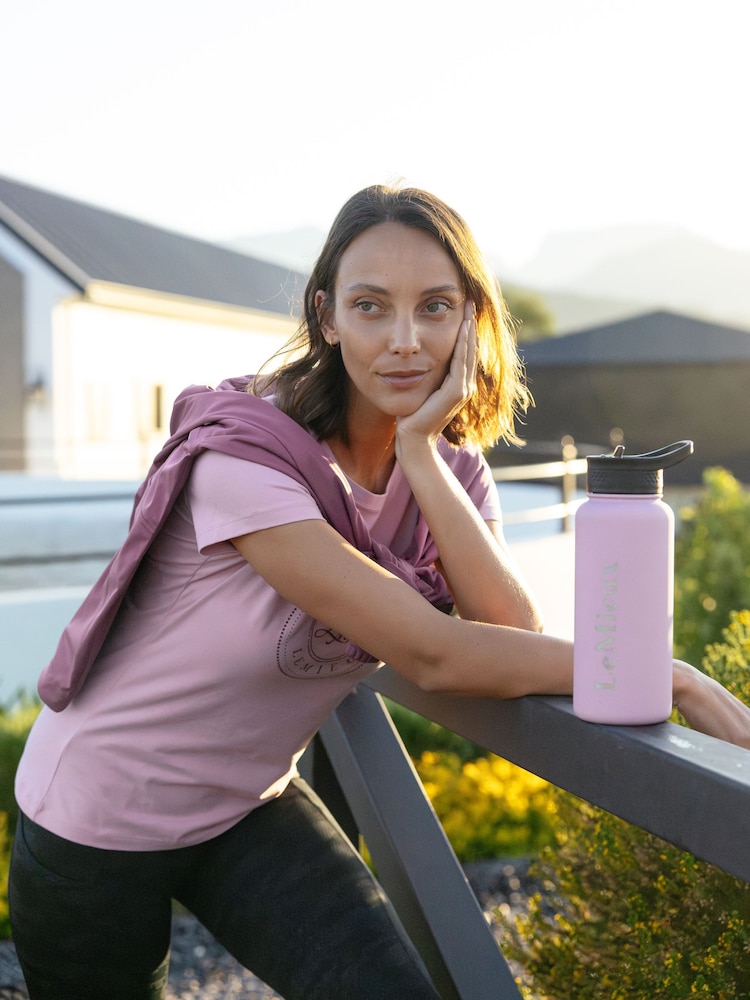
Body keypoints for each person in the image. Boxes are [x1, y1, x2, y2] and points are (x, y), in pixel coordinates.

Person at [9, 185, 750, 1000]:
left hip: (244, 807)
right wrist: (667, 675)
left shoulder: (450, 466)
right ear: (327, 316)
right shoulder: (246, 459)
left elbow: (510, 629)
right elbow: (436, 655)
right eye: (371, 308)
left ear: (472, 317)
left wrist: (423, 456)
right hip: (96, 817)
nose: (405, 342)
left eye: (435, 308)